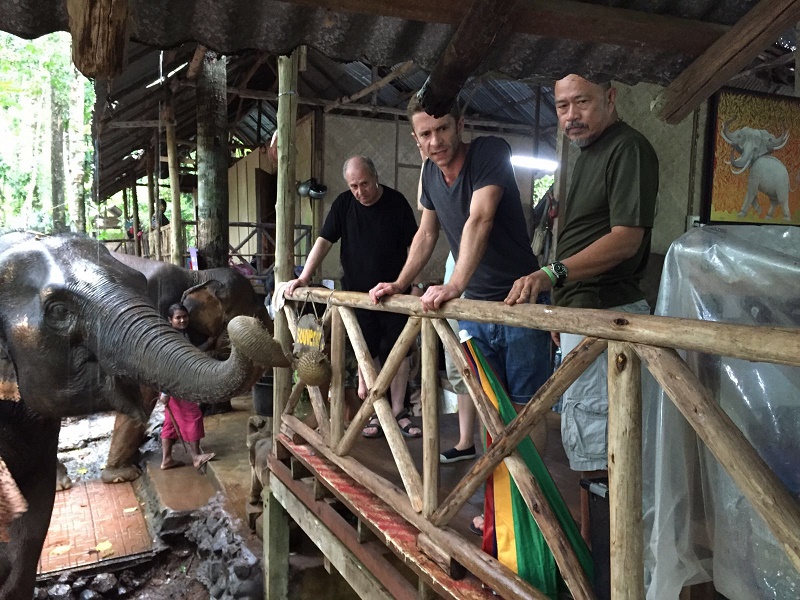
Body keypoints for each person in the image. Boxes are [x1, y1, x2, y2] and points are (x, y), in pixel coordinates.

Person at [369, 95, 552, 532]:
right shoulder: (431, 175)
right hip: (473, 312)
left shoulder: (490, 152)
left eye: (444, 129)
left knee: (528, 412)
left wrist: (454, 285)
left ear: (460, 123)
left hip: (519, 304)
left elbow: (480, 219)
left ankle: (534, 514)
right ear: (416, 140)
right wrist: (399, 281)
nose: (437, 141)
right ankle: (499, 509)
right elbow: (427, 234)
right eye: (426, 134)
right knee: (492, 412)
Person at [505, 74, 659, 542]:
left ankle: (615, 571)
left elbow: (625, 239)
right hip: (582, 312)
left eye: (582, 102)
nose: (571, 115)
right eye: (562, 105)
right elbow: (580, 237)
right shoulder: (581, 154)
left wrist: (552, 276)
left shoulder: (627, 148)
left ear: (611, 98)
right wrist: (562, 308)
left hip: (608, 312)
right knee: (589, 444)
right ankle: (603, 566)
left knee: (606, 451)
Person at [285, 156, 420, 439]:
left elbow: (416, 244)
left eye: (365, 184)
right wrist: (305, 277)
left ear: (376, 177)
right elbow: (323, 241)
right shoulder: (344, 205)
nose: (360, 191)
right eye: (354, 186)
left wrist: (413, 282)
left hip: (396, 294)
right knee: (366, 354)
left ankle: (398, 411)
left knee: (398, 353)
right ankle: (374, 412)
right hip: (358, 296)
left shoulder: (397, 203)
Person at [160, 303, 216, 470]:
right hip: (174, 385)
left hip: (176, 385)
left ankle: (166, 459)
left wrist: (208, 344)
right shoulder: (169, 340)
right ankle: (196, 456)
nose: (182, 320)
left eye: (185, 316)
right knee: (193, 415)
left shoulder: (182, 335)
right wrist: (165, 391)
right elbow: (165, 366)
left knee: (171, 423)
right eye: (178, 318)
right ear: (170, 320)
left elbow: (191, 353)